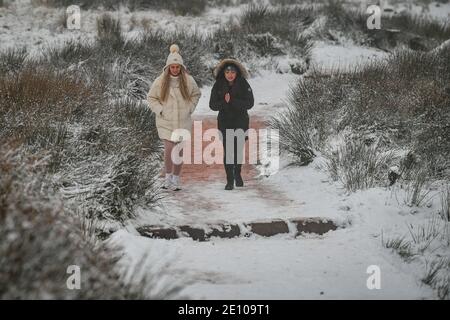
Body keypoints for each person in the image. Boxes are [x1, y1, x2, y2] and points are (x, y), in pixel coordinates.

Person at [147, 44, 201, 191]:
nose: (175, 69)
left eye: (177, 67)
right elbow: (151, 98)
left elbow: (196, 94)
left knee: (179, 151)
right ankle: (168, 177)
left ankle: (176, 178)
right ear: (168, 67)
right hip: (166, 121)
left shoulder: (188, 80)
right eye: (172, 67)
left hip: (183, 121)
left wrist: (189, 108)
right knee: (169, 149)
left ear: (181, 67)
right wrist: (160, 110)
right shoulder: (160, 81)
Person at [209, 58, 254, 190]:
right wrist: (224, 102)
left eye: (233, 72)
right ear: (223, 73)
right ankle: (230, 180)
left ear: (237, 73)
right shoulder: (218, 84)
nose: (230, 74)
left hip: (241, 121)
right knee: (228, 151)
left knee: (238, 150)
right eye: (227, 71)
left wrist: (233, 100)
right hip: (225, 122)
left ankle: (237, 174)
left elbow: (250, 103)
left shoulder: (243, 83)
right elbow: (212, 105)